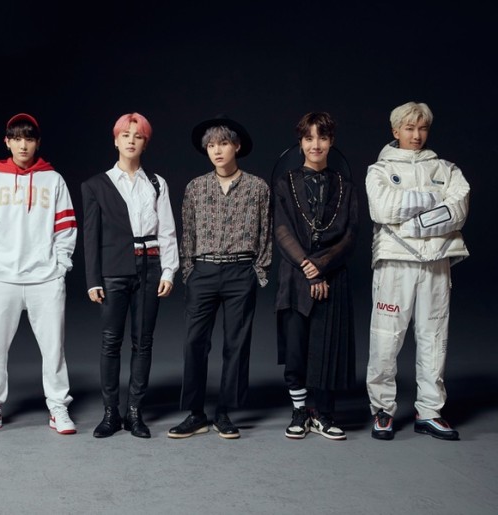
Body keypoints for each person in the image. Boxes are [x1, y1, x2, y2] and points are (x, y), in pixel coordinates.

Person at [365, 101, 470, 441]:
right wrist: (433, 200)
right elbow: (382, 209)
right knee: (386, 336)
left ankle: (429, 411)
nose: (416, 135)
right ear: (395, 131)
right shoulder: (379, 170)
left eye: (422, 128)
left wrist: (414, 222)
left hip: (436, 262)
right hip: (395, 264)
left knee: (434, 336)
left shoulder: (446, 169)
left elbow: (459, 208)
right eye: (409, 128)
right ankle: (383, 410)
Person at [0, 113, 78, 435]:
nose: (23, 145)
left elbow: (66, 227)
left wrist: (60, 267)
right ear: (7, 142)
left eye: (29, 139)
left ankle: (58, 407)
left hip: (45, 278)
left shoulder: (53, 180)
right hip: (1, 278)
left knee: (54, 349)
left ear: (37, 143)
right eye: (16, 138)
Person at [168, 115, 272, 440]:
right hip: (203, 270)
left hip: (241, 271)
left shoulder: (257, 187)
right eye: (211, 145)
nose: (217, 150)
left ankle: (224, 412)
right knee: (194, 342)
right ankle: (195, 413)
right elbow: (188, 232)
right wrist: (189, 271)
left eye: (223, 143)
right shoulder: (196, 188)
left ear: (236, 146)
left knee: (236, 344)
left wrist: (258, 270)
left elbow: (266, 232)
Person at [81, 112, 179, 439]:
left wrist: (169, 270)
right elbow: (91, 236)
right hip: (113, 270)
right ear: (116, 140)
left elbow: (167, 230)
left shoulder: (157, 183)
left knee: (143, 341)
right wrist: (93, 280)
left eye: (138, 136)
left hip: (150, 267)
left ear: (145, 143)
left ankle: (135, 412)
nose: (131, 141)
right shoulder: (96, 185)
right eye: (126, 135)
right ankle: (111, 412)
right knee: (111, 341)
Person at [273, 112, 359, 441]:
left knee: (328, 347)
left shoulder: (345, 186)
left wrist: (321, 266)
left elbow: (350, 236)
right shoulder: (285, 183)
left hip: (332, 275)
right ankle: (299, 411)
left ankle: (323, 413)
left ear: (331, 141)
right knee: (296, 347)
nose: (316, 145)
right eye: (309, 138)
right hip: (295, 276)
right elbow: (281, 230)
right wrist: (308, 267)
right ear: (300, 143)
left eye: (322, 137)